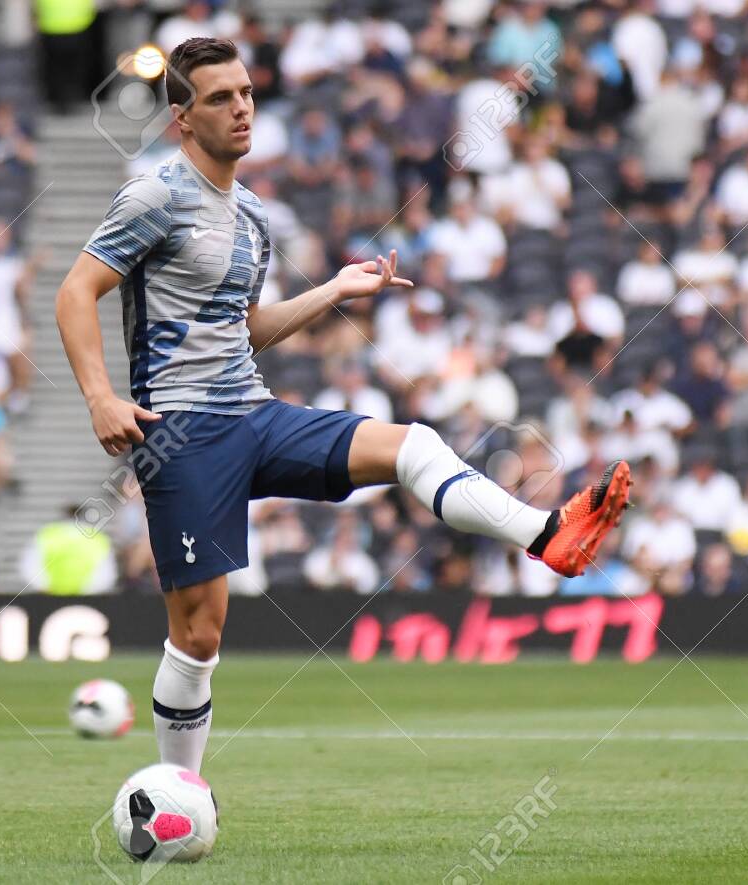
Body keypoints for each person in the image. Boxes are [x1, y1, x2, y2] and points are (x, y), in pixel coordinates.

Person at [54, 38, 633, 775]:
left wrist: (332, 290)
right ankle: (182, 786)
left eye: (246, 93)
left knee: (413, 444)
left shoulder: (256, 215)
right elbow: (76, 290)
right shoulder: (154, 196)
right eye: (220, 98)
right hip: (182, 430)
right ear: (181, 118)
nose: (241, 108)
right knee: (200, 635)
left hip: (253, 413)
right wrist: (102, 397)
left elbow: (246, 328)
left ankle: (548, 533)